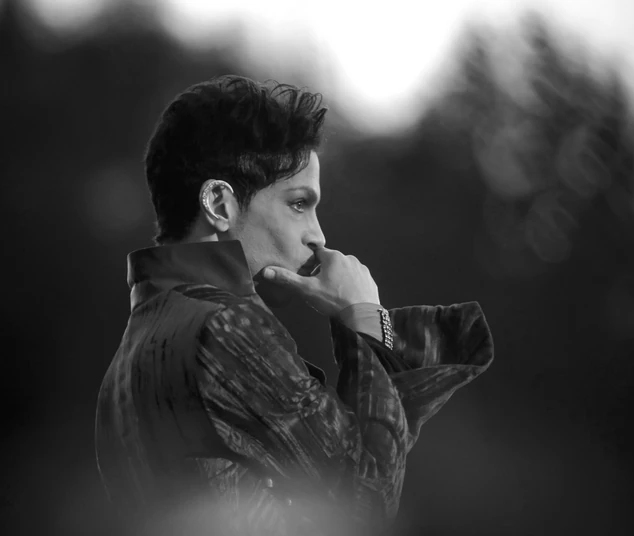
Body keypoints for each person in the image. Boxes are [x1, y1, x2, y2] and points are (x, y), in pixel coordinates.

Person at [94, 74, 494, 536]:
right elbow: (365, 505)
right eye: (299, 204)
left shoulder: (131, 352)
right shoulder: (225, 327)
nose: (318, 235)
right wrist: (366, 321)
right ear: (220, 204)